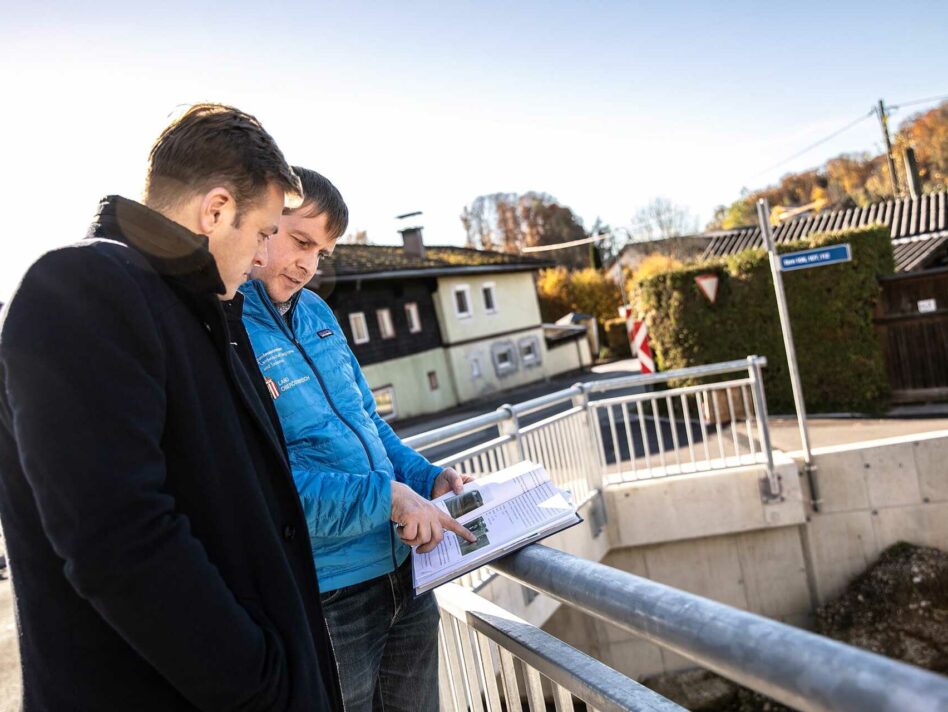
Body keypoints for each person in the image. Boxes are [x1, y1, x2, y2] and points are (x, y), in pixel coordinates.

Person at [0, 105, 341, 711]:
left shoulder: (201, 312)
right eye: (263, 232)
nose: (263, 257)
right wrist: (263, 686)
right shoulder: (81, 288)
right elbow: (118, 539)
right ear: (214, 210)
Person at [239, 167, 475, 712]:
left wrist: (426, 478)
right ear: (261, 222)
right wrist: (388, 499)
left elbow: (369, 424)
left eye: (321, 252)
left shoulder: (318, 312)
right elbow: (266, 487)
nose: (307, 265)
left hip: (406, 574)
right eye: (300, 241)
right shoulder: (227, 330)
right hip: (330, 596)